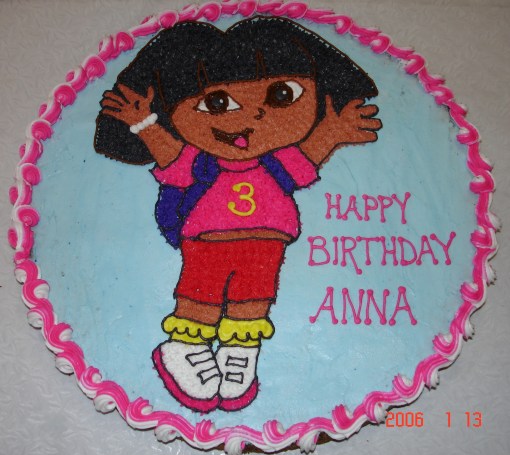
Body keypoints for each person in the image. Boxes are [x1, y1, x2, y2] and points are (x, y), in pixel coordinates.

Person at [95, 16, 381, 413]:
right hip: (206, 240)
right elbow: (171, 157)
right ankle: (185, 346)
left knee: (255, 298)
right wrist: (143, 123)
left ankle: (239, 352)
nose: (253, 116)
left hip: (268, 243)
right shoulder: (203, 163)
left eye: (282, 94)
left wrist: (332, 131)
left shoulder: (276, 165)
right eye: (217, 103)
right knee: (200, 293)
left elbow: (306, 158)